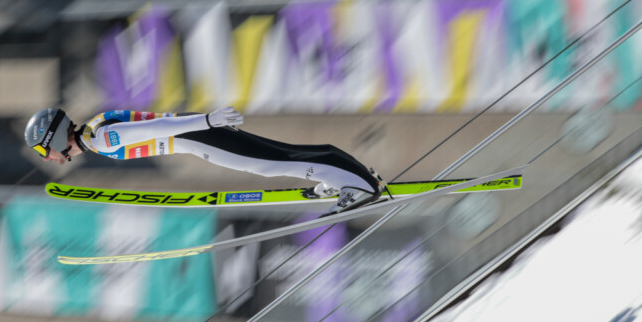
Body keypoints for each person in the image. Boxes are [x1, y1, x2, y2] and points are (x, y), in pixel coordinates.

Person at [24, 107, 385, 214]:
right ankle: (345, 176)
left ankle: (359, 185)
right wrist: (204, 123)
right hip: (196, 135)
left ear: (53, 138)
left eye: (44, 150)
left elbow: (160, 127)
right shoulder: (94, 130)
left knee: (270, 163)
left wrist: (206, 122)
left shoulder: (100, 138)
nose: (48, 158)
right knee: (277, 155)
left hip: (196, 135)